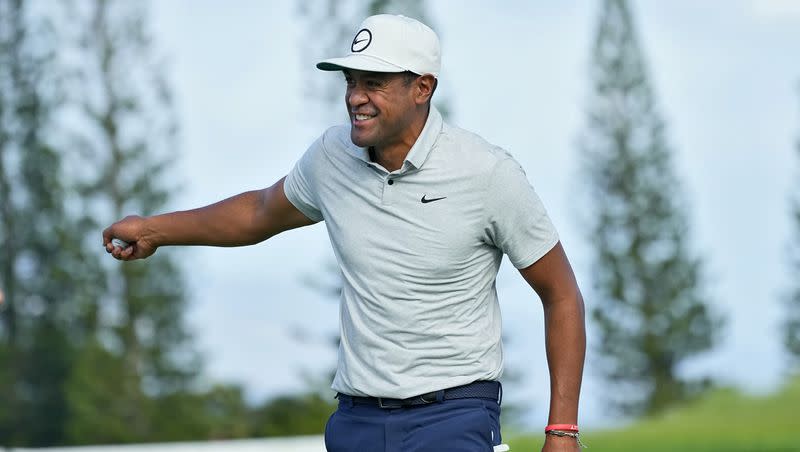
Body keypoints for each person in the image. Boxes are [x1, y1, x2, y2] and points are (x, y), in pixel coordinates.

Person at [103, 14, 586, 452]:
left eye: (373, 83)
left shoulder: (487, 174)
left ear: (422, 88)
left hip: (452, 417)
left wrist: (561, 431)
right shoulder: (331, 156)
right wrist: (154, 230)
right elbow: (258, 212)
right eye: (352, 81)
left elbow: (561, 294)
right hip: (355, 421)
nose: (355, 96)